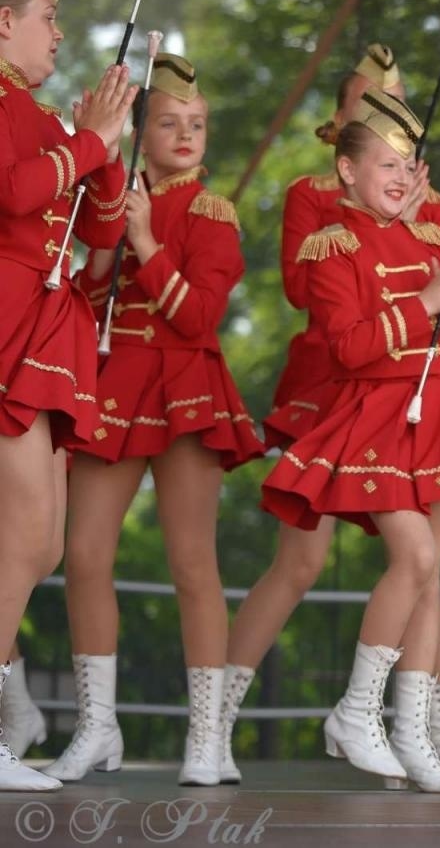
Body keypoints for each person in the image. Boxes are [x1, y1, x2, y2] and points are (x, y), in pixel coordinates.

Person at [256, 90, 440, 792]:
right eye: (384, 163)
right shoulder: (334, 244)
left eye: (407, 164)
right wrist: (424, 301)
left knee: (425, 579)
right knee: (413, 556)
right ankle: (357, 713)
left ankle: (413, 734)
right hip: (374, 418)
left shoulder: (427, 241)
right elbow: (352, 349)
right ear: (346, 172)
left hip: (437, 416)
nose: (398, 175)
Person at [219, 45, 440, 787]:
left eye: (395, 99)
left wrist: (418, 218)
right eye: (369, 98)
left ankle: (425, 731)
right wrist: (370, 217)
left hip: (410, 395)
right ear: (340, 118)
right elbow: (304, 292)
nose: (385, 110)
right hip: (331, 390)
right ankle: (215, 720)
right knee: (301, 562)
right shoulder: (311, 195)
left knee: (424, 565)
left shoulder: (423, 202)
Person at [45, 56, 265, 787]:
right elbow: (89, 288)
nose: (186, 135)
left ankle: (208, 737)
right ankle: (97, 727)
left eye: (196, 125)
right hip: (117, 384)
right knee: (83, 555)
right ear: (141, 134)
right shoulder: (118, 193)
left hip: (186, 387)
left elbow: (200, 317)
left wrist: (146, 241)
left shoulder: (212, 214)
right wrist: (112, 217)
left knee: (192, 563)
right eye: (169, 123)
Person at [0, 0, 136, 793]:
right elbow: (16, 194)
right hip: (7, 322)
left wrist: (106, 147)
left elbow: (103, 233)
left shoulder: (51, 121)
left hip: (46, 338)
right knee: (21, 536)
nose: (60, 35)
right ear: (4, 20)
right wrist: (86, 143)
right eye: (49, 19)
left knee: (40, 542)